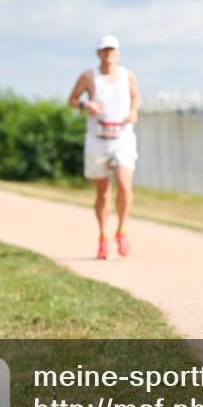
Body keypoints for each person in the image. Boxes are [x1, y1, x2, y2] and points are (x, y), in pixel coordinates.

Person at [67, 34, 140, 260]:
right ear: (99, 53)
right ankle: (102, 237)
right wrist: (84, 104)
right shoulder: (89, 76)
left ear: (118, 53)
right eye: (105, 50)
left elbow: (136, 98)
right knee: (103, 193)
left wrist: (134, 111)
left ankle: (122, 230)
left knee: (124, 186)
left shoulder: (128, 76)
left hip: (122, 138)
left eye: (112, 50)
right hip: (98, 139)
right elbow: (71, 99)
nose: (109, 54)